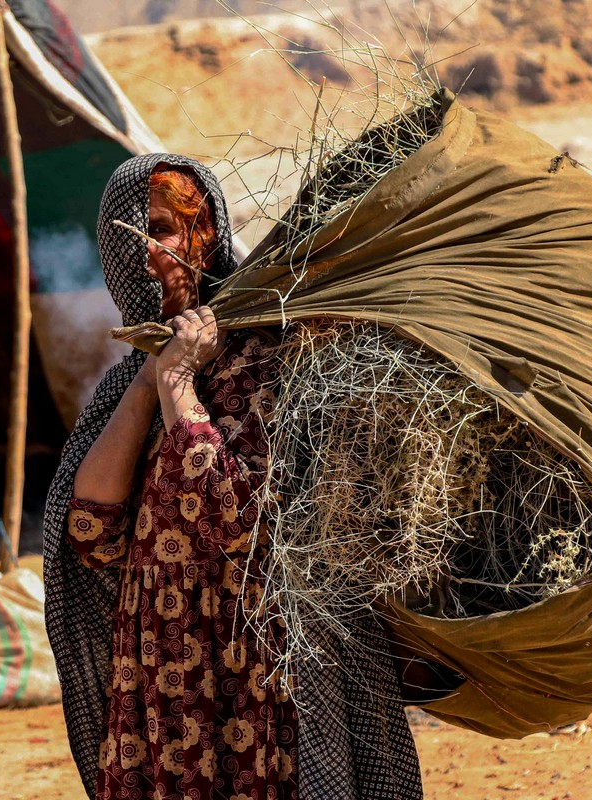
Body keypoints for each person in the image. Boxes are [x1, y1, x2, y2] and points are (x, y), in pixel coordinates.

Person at [43, 154, 423, 800]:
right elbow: (89, 531)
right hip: (161, 681)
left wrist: (180, 389)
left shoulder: (265, 359)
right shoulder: (128, 385)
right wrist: (155, 376)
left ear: (206, 233)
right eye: (126, 233)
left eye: (160, 228)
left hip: (252, 670)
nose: (143, 251)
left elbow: (244, 524)